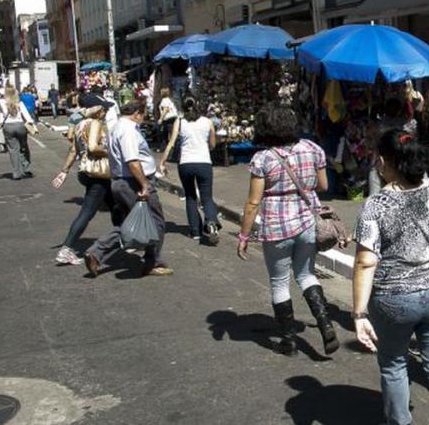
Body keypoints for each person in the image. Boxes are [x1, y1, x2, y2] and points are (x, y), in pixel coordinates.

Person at [353, 129, 429, 425]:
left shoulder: (375, 205)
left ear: (384, 162)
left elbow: (365, 262)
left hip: (393, 300)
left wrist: (359, 313)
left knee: (394, 364)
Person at [236, 103, 340, 356]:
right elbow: (323, 186)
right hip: (307, 223)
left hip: (277, 227)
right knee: (306, 275)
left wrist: (244, 235)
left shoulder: (263, 158)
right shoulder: (312, 148)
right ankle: (326, 325)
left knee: (279, 282)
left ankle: (288, 341)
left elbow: (253, 202)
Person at [84, 101, 173, 277]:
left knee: (131, 223)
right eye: (143, 115)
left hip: (121, 181)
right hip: (133, 182)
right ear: (137, 113)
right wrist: (144, 185)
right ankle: (152, 262)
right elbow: (132, 160)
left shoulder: (116, 127)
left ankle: (96, 253)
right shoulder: (128, 130)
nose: (143, 119)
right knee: (155, 222)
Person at [52, 97, 115, 265]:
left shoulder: (80, 125)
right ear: (96, 109)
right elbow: (93, 147)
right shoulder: (95, 124)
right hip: (98, 173)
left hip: (88, 173)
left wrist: (64, 171)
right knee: (87, 211)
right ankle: (66, 248)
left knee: (115, 205)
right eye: (104, 108)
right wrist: (111, 151)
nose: (105, 112)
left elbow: (74, 150)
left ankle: (125, 237)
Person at [159, 97, 221, 245]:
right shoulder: (207, 122)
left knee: (190, 196)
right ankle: (211, 221)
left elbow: (171, 143)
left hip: (185, 163)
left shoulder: (180, 122)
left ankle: (195, 231)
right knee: (206, 197)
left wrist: (162, 162)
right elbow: (213, 144)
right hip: (204, 163)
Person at [0, 85, 37, 179]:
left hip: (8, 127)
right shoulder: (19, 103)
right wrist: (32, 125)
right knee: (23, 147)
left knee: (13, 150)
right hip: (20, 126)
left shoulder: (1, 102)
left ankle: (16, 173)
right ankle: (25, 169)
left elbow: (0, 116)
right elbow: (27, 116)